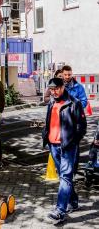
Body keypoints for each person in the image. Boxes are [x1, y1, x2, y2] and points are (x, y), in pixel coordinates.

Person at [42, 78, 86, 224]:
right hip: (53, 146)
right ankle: (73, 202)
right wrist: (46, 136)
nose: (53, 92)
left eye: (56, 89)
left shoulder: (74, 103)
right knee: (63, 176)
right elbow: (49, 121)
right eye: (51, 89)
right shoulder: (51, 102)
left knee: (65, 177)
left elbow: (82, 127)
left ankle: (60, 211)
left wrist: (72, 142)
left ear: (62, 88)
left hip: (67, 147)